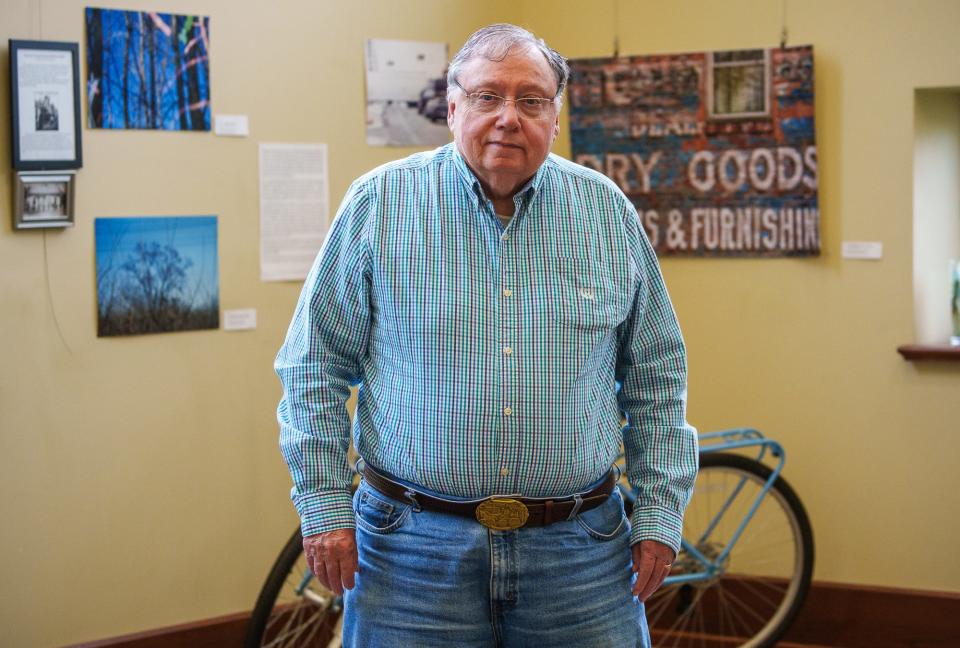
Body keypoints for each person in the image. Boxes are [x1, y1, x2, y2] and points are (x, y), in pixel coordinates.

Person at [276, 23, 698, 647]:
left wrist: (660, 510)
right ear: (451, 109)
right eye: (486, 97)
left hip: (579, 555)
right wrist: (325, 507)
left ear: (555, 117)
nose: (508, 117)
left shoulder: (606, 213)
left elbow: (657, 375)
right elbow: (313, 368)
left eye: (531, 100)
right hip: (409, 555)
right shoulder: (380, 205)